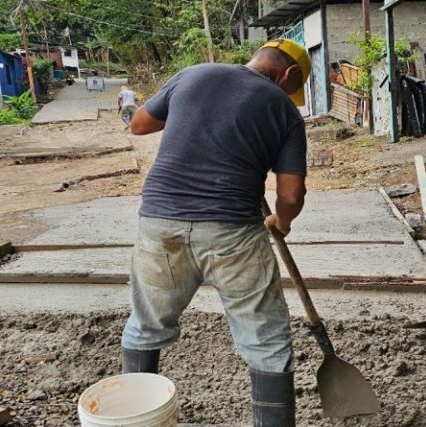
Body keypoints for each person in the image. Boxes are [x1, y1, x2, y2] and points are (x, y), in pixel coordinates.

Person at [121, 39, 311, 426]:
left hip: (160, 223)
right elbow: (292, 194)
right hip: (233, 232)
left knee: (146, 327)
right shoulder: (284, 112)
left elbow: (139, 125)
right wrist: (282, 221)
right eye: (294, 88)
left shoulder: (193, 75)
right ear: (289, 74)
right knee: (266, 342)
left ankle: (131, 417)